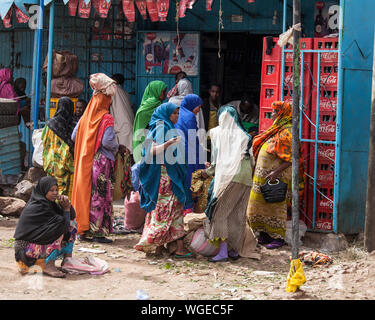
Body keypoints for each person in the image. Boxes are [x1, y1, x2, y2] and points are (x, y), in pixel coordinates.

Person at [134, 102, 193, 258]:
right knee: (166, 210)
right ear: (167, 114)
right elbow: (152, 151)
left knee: (171, 210)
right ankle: (157, 244)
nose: (177, 116)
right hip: (165, 177)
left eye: (177, 113)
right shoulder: (162, 127)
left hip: (169, 176)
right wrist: (169, 144)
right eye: (174, 113)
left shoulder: (165, 126)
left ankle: (167, 248)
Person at [204, 106, 260, 262]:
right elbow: (251, 160)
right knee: (237, 214)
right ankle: (234, 250)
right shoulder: (245, 135)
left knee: (219, 214)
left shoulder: (217, 133)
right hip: (246, 177)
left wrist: (206, 173)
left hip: (231, 177)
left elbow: (215, 163)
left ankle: (222, 252)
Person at [247, 101, 304, 249]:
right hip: (263, 178)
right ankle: (264, 234)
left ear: (282, 113)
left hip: (277, 178)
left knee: (275, 206)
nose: (271, 114)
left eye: (274, 111)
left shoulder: (288, 131)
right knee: (258, 206)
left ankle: (278, 237)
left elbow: (292, 157)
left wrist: (275, 173)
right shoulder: (276, 129)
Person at [71, 73, 118, 243]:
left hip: (86, 160)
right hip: (102, 162)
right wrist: (117, 145)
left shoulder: (85, 117)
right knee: (100, 196)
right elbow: (108, 141)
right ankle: (97, 232)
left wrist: (89, 141)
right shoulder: (106, 117)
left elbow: (74, 136)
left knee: (87, 194)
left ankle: (82, 229)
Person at [14, 177, 77, 278]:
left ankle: (67, 261)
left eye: (56, 190)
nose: (55, 193)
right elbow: (63, 226)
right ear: (43, 190)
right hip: (25, 255)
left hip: (36, 248)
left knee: (72, 223)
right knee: (59, 225)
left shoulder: (50, 204)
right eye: (51, 190)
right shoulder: (37, 206)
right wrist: (65, 210)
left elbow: (71, 217)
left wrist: (67, 207)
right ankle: (48, 265)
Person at [174, 93, 205, 210]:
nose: (199, 109)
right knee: (191, 178)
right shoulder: (190, 117)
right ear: (192, 104)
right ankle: (189, 207)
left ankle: (181, 206)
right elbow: (192, 139)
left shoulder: (179, 112)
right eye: (198, 106)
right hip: (188, 150)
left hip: (178, 149)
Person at [42, 97, 75, 199]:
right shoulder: (71, 124)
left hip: (50, 164)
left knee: (50, 188)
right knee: (61, 190)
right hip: (63, 164)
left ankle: (50, 209)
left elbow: (43, 139)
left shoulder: (50, 124)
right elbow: (73, 142)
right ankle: (61, 211)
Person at [110, 73, 134, 201]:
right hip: (126, 126)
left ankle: (123, 188)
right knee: (126, 161)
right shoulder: (123, 91)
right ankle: (126, 187)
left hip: (122, 129)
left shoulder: (114, 90)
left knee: (123, 162)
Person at [132, 80, 167, 163]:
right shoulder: (148, 108)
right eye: (163, 92)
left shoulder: (158, 106)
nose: (165, 94)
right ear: (156, 91)